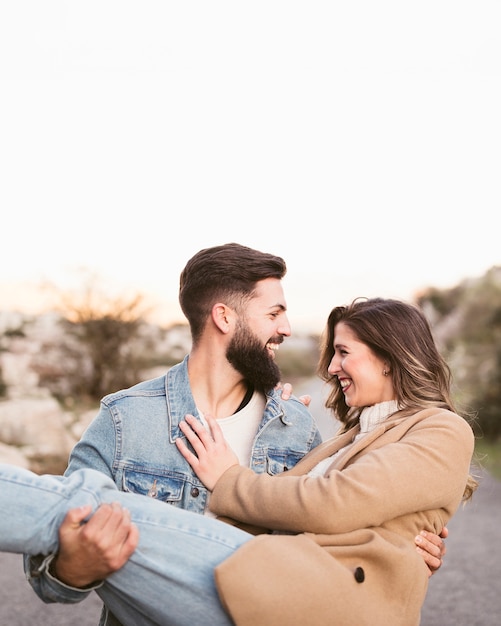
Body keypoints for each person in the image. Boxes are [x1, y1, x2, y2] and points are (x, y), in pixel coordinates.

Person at [23, 246, 446, 619]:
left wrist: (400, 549)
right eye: (274, 313)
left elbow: (332, 536)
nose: (286, 329)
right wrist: (74, 567)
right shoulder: (124, 421)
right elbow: (46, 570)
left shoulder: (293, 427)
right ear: (224, 317)